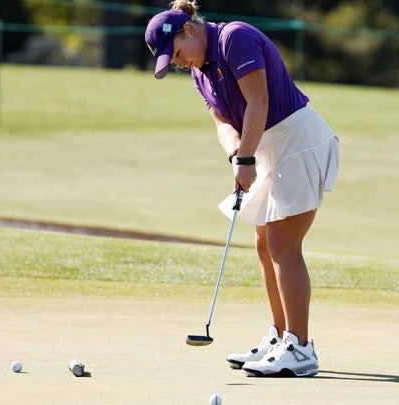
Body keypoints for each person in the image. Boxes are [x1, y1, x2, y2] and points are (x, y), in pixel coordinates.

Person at [145, 0, 339, 377]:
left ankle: (300, 349)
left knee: (284, 245)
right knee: (264, 244)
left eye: (178, 55)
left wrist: (247, 160)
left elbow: (258, 101)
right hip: (264, 149)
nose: (179, 63)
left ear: (189, 30)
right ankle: (280, 337)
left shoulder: (235, 38)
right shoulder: (200, 72)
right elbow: (222, 123)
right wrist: (238, 154)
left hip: (297, 140)